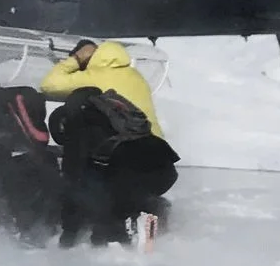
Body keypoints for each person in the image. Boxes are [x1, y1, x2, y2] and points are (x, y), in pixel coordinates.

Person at [39, 38, 178, 246]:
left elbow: (48, 84)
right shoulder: (134, 75)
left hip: (125, 157)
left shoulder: (94, 78)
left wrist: (76, 60)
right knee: (131, 190)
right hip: (160, 155)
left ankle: (129, 230)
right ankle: (152, 211)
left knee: (106, 201)